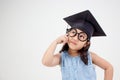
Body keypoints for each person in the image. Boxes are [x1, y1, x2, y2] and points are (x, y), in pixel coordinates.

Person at [42, 10, 113, 80]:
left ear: (86, 43)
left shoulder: (90, 56)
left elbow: (109, 68)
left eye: (81, 36)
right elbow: (46, 62)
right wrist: (55, 42)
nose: (75, 38)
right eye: (73, 32)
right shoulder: (62, 57)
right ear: (67, 34)